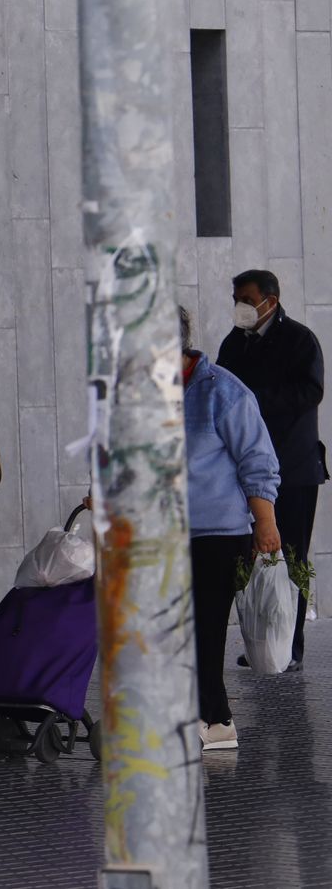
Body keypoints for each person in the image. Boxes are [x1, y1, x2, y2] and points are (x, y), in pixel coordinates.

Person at [178, 304, 281, 751]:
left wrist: (266, 524)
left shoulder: (223, 391)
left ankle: (204, 717)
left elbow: (258, 462)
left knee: (202, 628)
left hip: (216, 534)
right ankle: (217, 722)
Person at [217, 269, 327, 672]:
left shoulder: (299, 340)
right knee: (252, 555)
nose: (241, 307)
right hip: (245, 471)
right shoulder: (234, 343)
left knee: (291, 555)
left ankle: (290, 647)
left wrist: (254, 402)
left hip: (294, 470)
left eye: (247, 299)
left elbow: (311, 390)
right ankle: (261, 641)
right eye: (237, 299)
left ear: (270, 300)